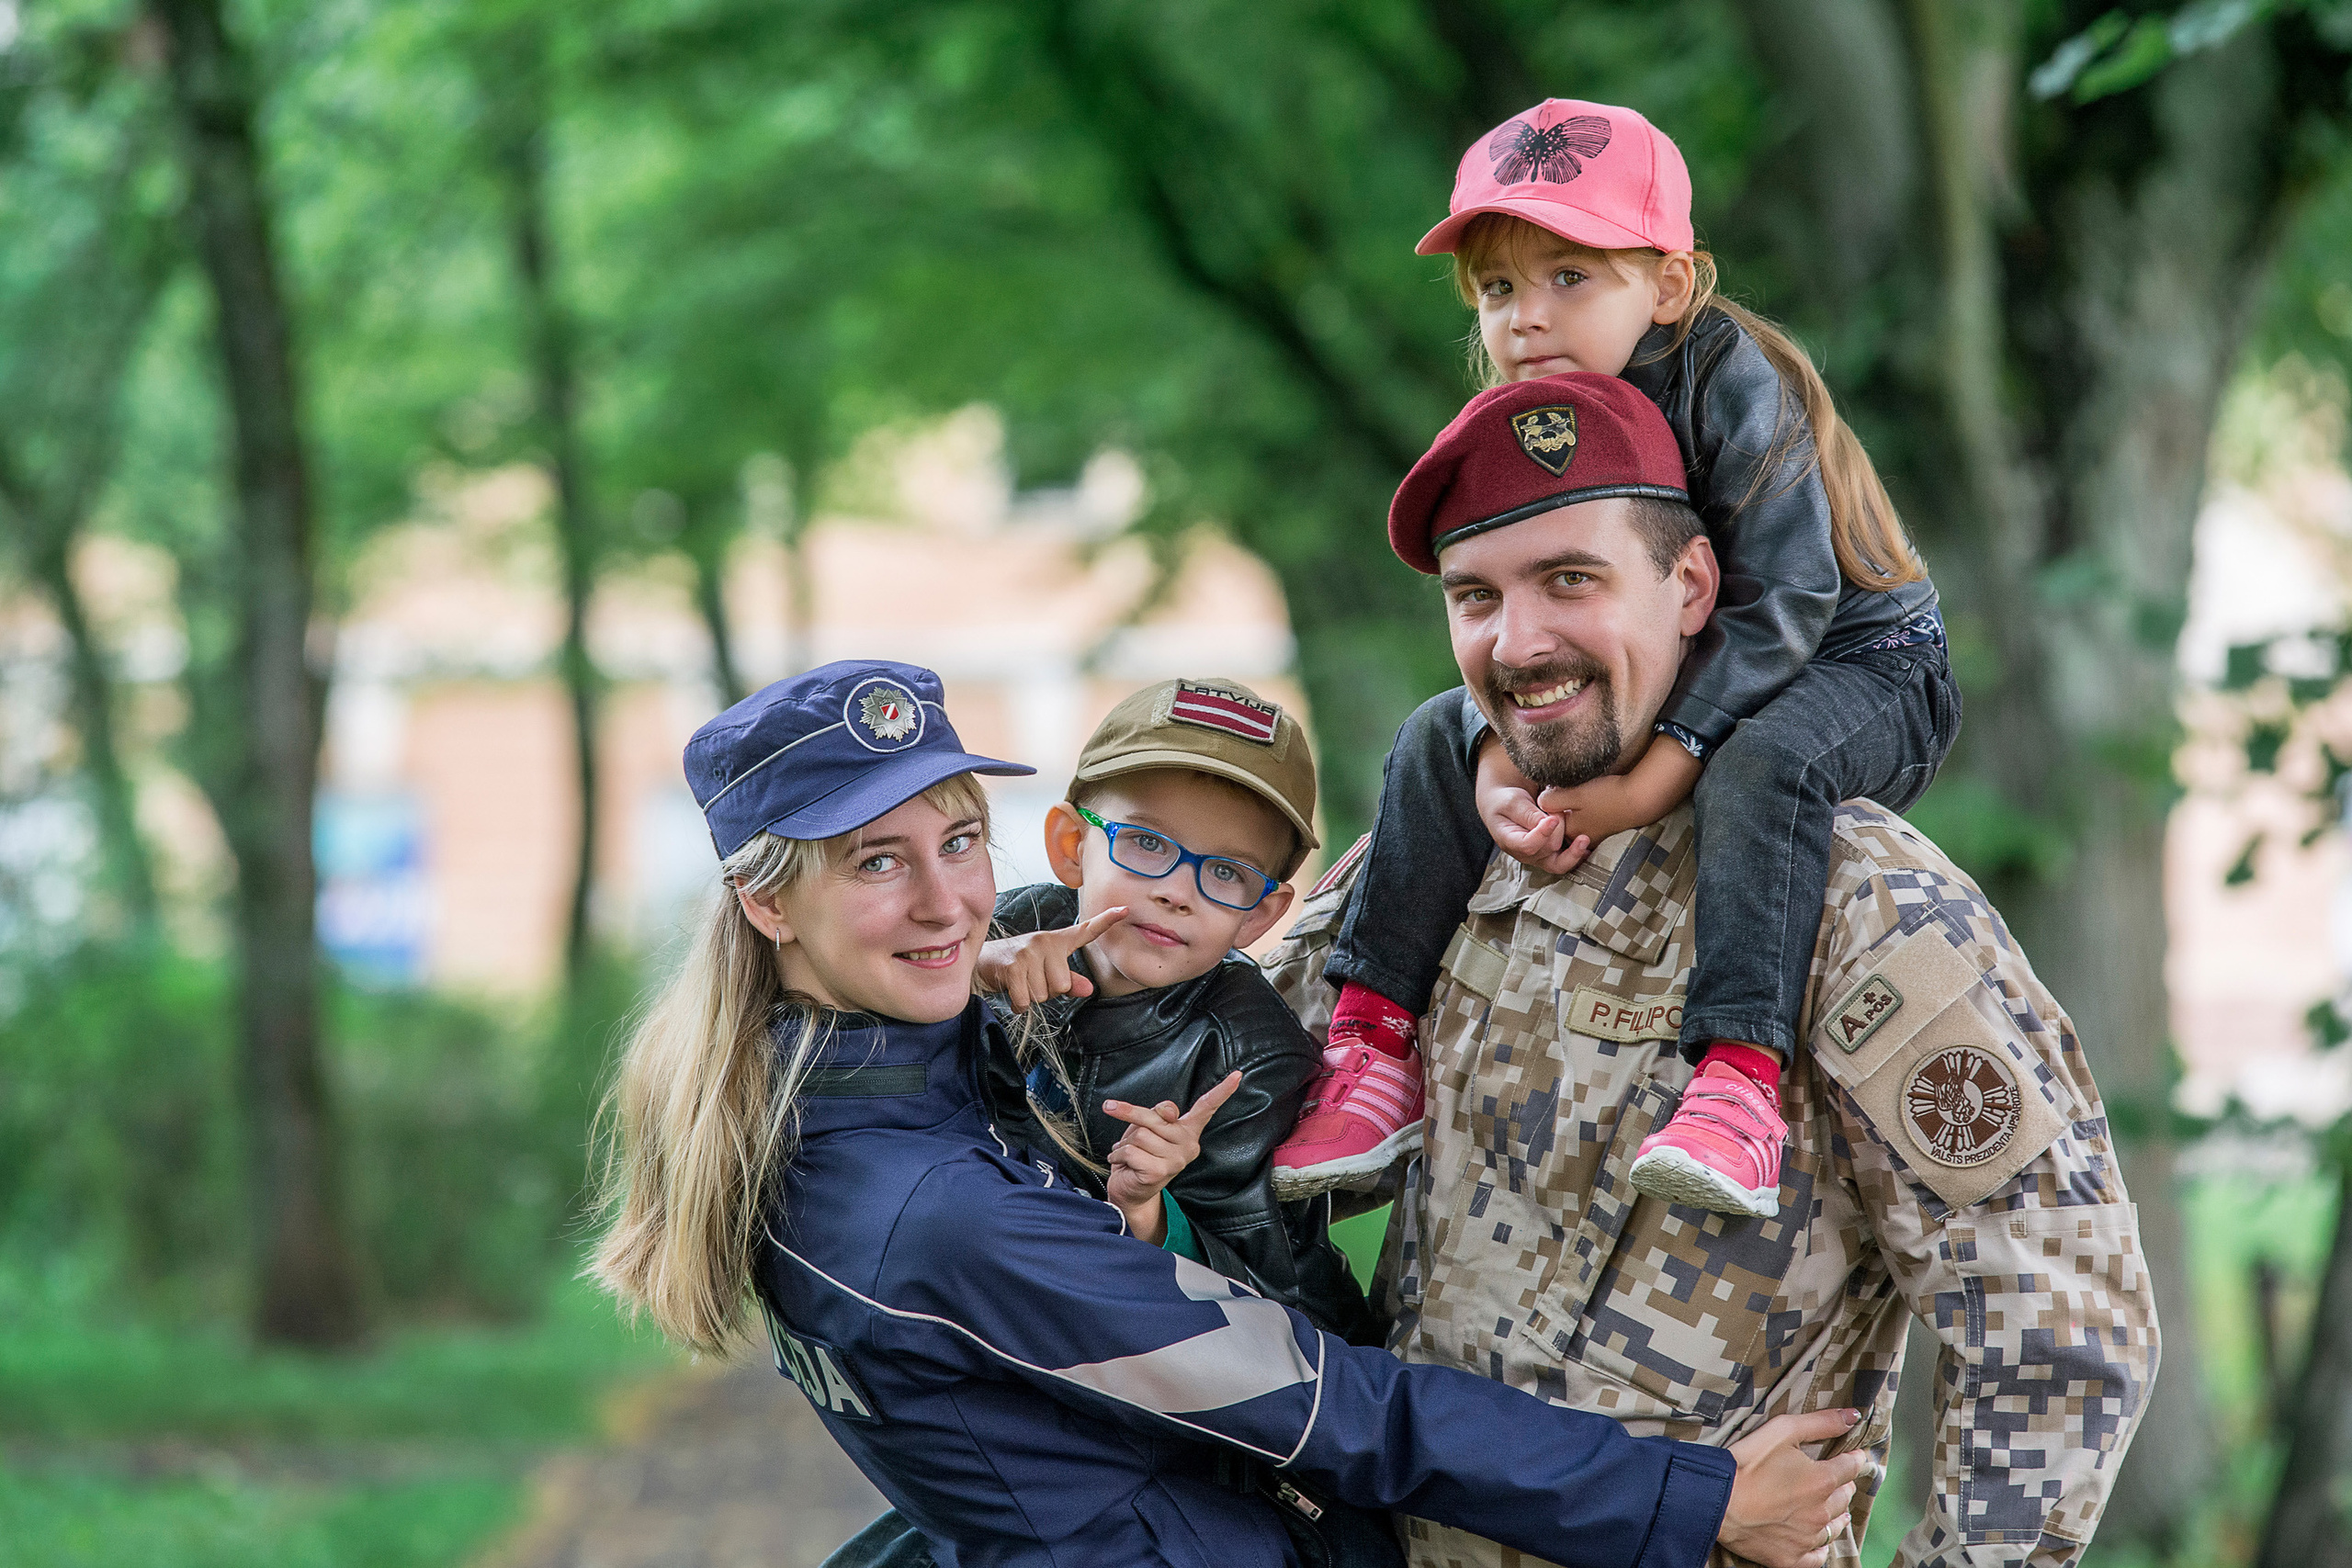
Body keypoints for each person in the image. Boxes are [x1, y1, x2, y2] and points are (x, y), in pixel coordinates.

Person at [591, 659, 1869, 1568]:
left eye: (959, 841)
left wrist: (990, 997)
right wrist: (1694, 1501)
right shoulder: (935, 1216)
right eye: (878, 861)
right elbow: (1332, 1406)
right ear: (768, 904)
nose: (949, 901)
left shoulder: (789, 1092)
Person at [1261, 382, 2157, 1567]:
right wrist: (1041, 956)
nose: (1518, 643)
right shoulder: (1442, 857)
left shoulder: (1851, 897)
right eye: (1475, 597)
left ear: (1690, 589)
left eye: (1570, 580)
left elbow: (2057, 1323)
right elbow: (1226, 1080)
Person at [1271, 99, 1961, 1222]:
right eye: (1499, 292)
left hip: (1854, 657)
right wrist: (1501, 761)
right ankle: (1374, 1039)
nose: (1526, 319)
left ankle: (1738, 1080)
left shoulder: (1736, 385)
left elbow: (1785, 598)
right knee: (1429, 731)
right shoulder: (1533, 413)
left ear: (1671, 287)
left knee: (1764, 764)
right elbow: (1524, 619)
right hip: (1690, 660)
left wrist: (1656, 771)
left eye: (1568, 277)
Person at [981, 677, 1376, 1345]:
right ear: (1072, 845)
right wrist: (968, 971)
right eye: (1147, 842)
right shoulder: (1011, 929)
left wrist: (1148, 1210)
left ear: (1261, 915)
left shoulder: (1248, 1057)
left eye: (1226, 873)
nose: (1176, 892)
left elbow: (1278, 1304)